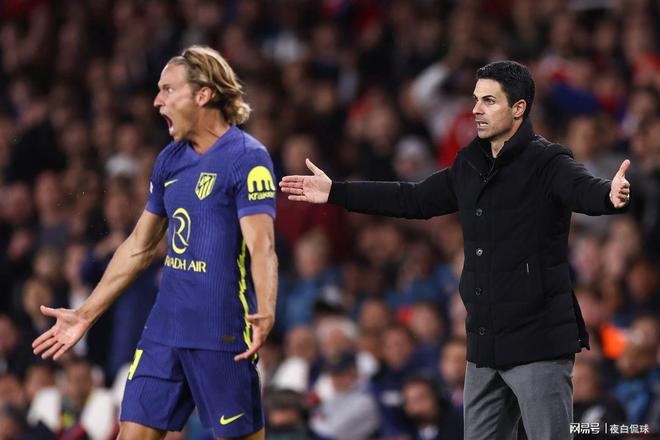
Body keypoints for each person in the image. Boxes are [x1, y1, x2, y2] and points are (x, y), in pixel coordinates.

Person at [280, 60, 631, 440]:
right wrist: (337, 191)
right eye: (475, 99)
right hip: (484, 344)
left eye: (489, 101)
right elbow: (414, 199)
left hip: (538, 339)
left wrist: (609, 196)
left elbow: (583, 189)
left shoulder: (548, 161)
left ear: (518, 108)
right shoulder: (470, 163)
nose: (476, 109)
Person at [32, 45, 279, 440]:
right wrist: (85, 313)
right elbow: (140, 246)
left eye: (168, 90)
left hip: (221, 331)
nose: (156, 101)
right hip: (164, 329)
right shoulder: (169, 159)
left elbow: (261, 247)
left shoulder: (247, 158)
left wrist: (266, 308)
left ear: (203, 94)